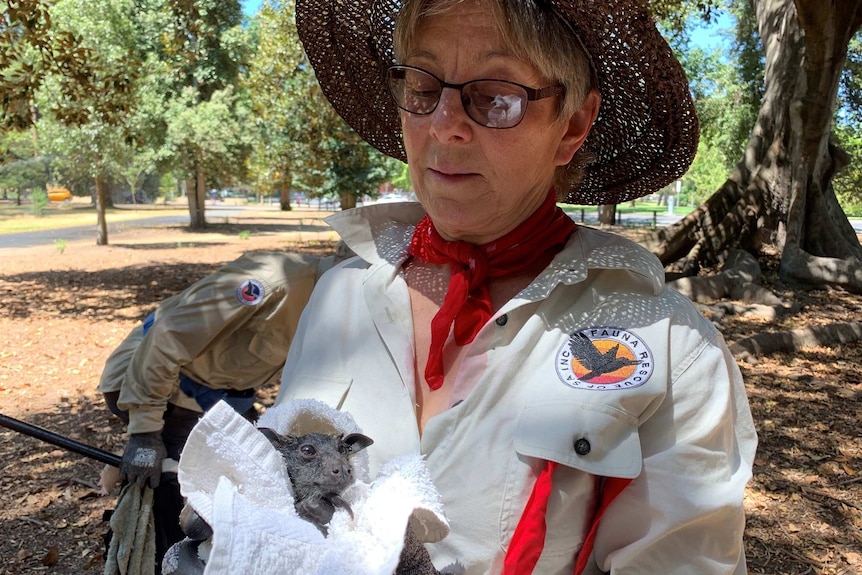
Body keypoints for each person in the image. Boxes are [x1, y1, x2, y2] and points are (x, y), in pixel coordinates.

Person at [261, 0, 760, 573]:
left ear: (571, 126)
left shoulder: (672, 349)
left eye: (496, 96)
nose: (444, 122)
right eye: (423, 86)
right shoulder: (339, 297)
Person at [98, 250, 330, 567]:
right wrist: (145, 433)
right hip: (159, 387)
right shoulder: (273, 282)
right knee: (181, 494)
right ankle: (159, 560)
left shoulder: (330, 305)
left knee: (243, 476)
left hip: (216, 396)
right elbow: (167, 337)